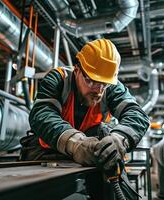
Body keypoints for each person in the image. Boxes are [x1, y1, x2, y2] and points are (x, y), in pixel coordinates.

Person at [20, 38, 150, 199]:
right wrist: (76, 144)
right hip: (48, 151)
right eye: (92, 81)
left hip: (90, 153)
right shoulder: (58, 79)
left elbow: (137, 115)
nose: (99, 90)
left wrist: (120, 139)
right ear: (77, 70)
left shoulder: (111, 87)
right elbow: (41, 115)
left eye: (104, 84)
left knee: (106, 137)